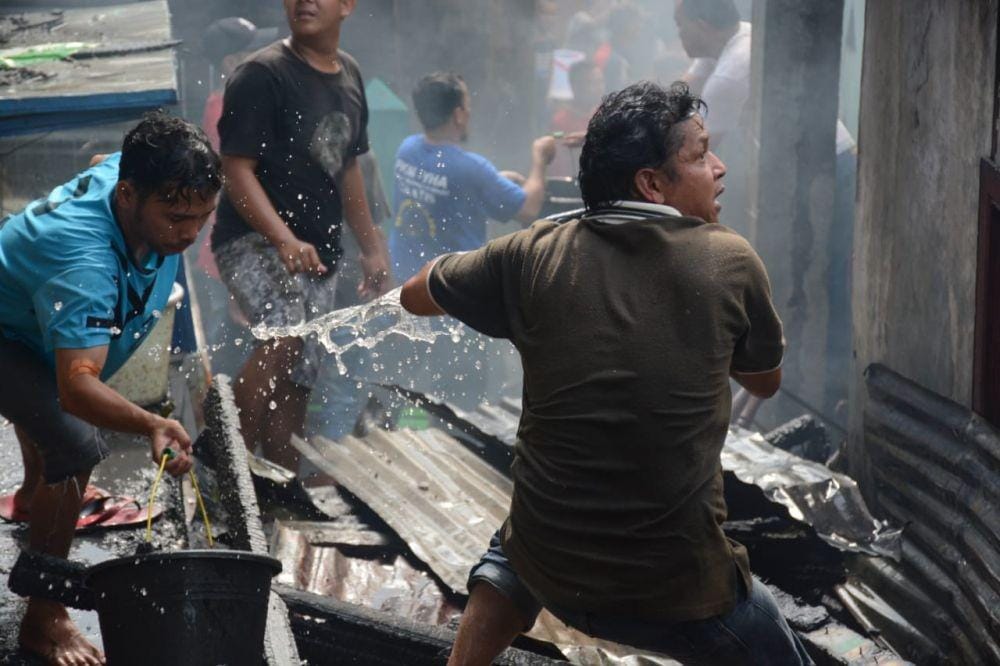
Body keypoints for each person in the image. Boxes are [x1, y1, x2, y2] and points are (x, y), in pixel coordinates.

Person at [401, 81, 812, 665]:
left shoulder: (531, 253)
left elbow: (415, 294)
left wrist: (503, 264)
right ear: (651, 183)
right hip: (677, 593)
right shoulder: (729, 259)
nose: (719, 168)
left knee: (514, 550)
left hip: (549, 568)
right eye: (700, 155)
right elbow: (764, 381)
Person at [0, 111, 217, 665]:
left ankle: (32, 495)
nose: (189, 233)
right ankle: (44, 618)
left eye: (203, 216)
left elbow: (102, 160)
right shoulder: (86, 265)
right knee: (77, 445)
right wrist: (152, 423)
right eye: (176, 217)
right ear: (128, 196)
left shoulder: (133, 171)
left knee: (45, 388)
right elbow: (76, 388)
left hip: (18, 311)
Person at [211, 0, 392, 472]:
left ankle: (283, 479)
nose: (304, 1)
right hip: (252, 241)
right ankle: (223, 468)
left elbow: (349, 167)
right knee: (286, 333)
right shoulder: (262, 74)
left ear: (347, 5)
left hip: (318, 253)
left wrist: (371, 247)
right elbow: (235, 169)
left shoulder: (349, 74)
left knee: (302, 371)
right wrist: (283, 238)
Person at [389, 71, 557, 282]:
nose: (470, 112)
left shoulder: (407, 149)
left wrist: (490, 182)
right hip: (451, 286)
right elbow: (528, 209)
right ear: (458, 115)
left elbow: (445, 190)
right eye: (467, 106)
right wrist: (540, 157)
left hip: (407, 279)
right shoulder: (471, 168)